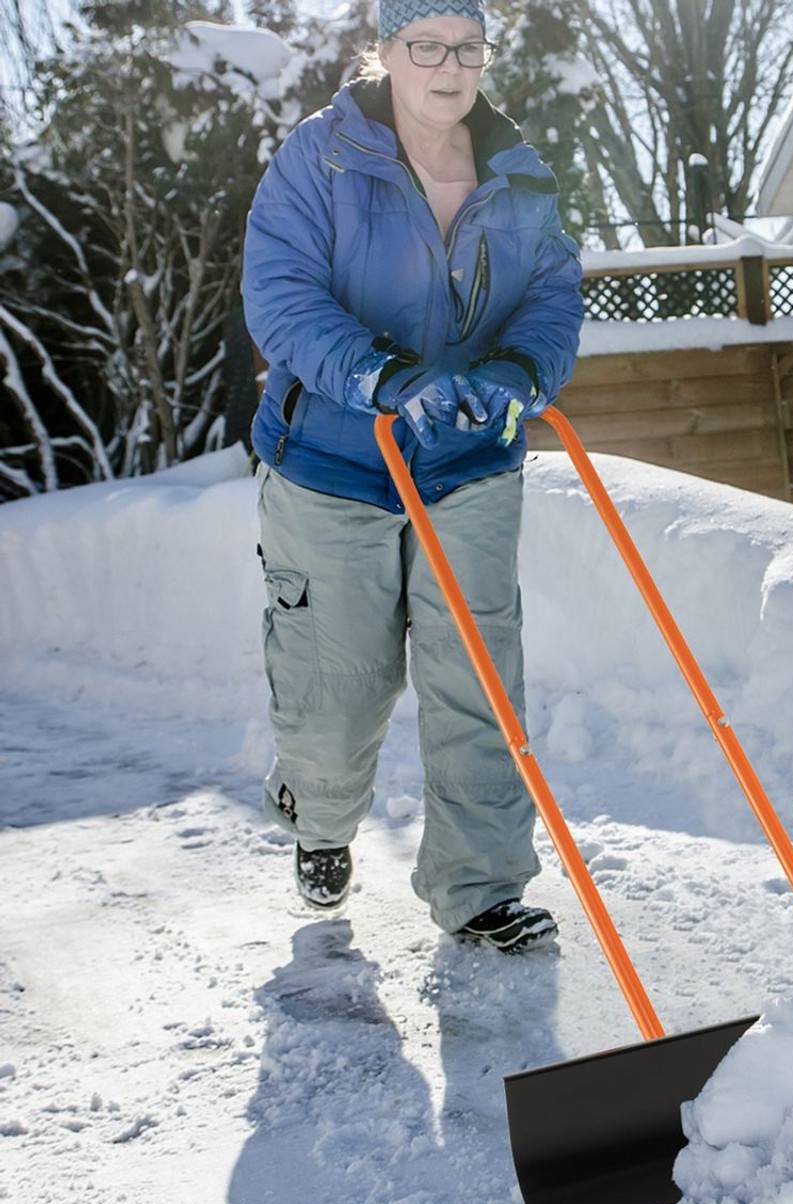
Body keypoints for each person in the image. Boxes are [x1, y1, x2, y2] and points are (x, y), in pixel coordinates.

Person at [241, 0, 583, 953]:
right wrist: (383, 376)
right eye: (425, 45)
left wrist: (520, 373)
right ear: (385, 51)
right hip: (334, 463)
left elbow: (555, 296)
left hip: (468, 457)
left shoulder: (521, 175)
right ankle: (318, 816)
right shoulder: (322, 156)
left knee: (477, 674)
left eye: (468, 47)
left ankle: (478, 888)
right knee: (340, 681)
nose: (449, 65)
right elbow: (279, 294)